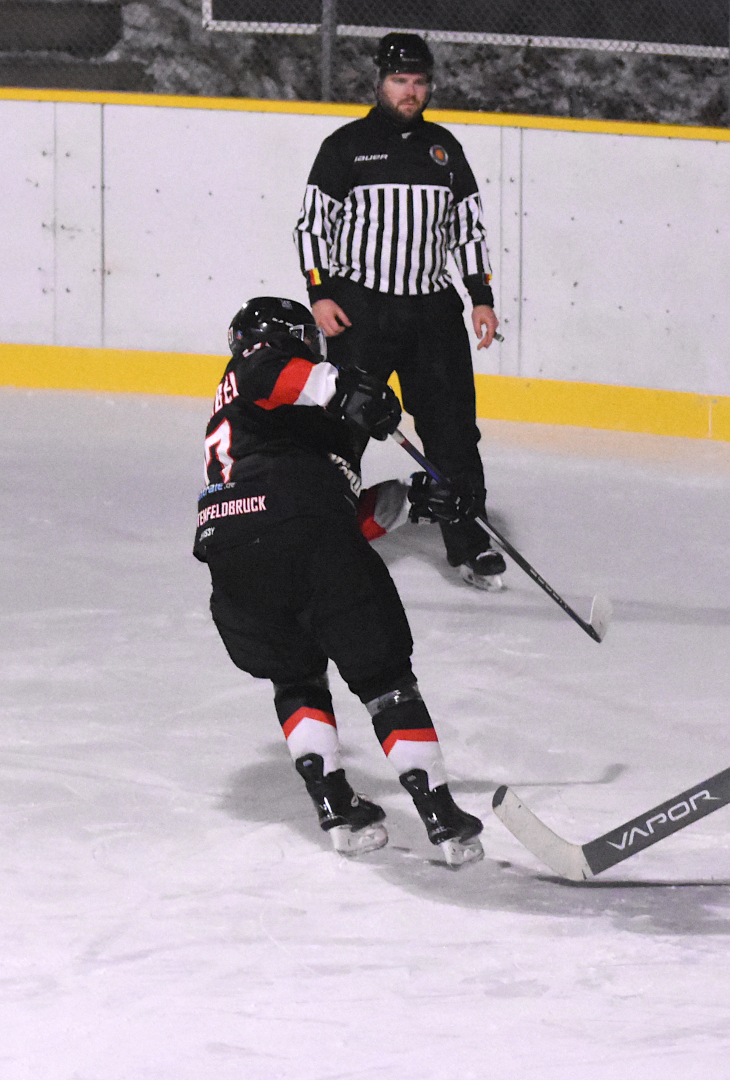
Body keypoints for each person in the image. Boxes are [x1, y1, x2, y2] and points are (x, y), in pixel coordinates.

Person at [195, 296, 486, 865]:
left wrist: (420, 500)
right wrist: (343, 389)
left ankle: (336, 808)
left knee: (296, 674)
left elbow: (343, 513)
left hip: (233, 553)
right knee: (384, 677)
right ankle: (442, 818)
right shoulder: (264, 368)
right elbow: (267, 369)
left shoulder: (278, 427)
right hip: (297, 527)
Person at [293, 31, 507, 591]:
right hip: (361, 311)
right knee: (343, 431)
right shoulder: (345, 146)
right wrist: (320, 294)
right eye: (400, 81)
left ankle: (469, 541)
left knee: (454, 434)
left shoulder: (444, 149)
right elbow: (313, 227)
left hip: (434, 315)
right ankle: (321, 536)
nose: (410, 92)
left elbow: (467, 229)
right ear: (380, 82)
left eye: (419, 82)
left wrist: (480, 297)